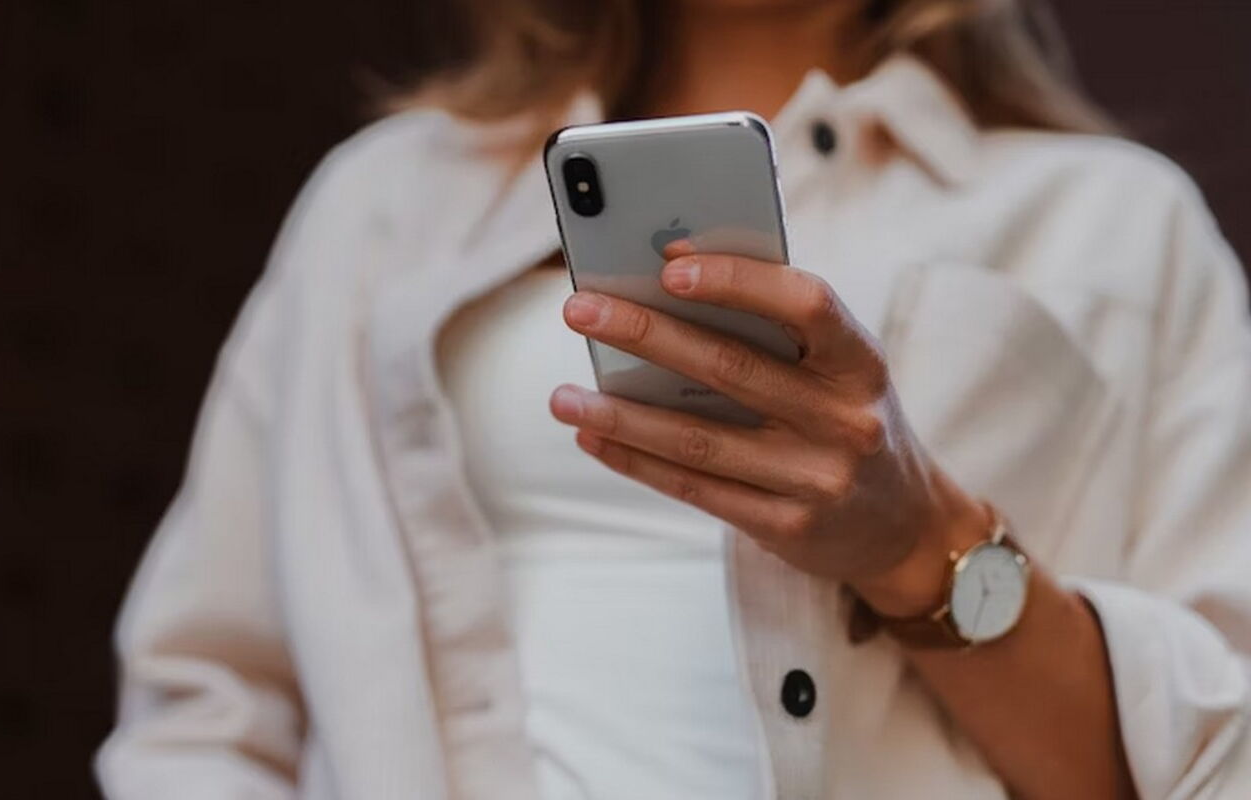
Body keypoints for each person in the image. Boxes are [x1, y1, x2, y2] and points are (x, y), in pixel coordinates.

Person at [96, 1, 1251, 798]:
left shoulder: (1113, 223)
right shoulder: (382, 206)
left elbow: (1216, 760)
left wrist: (912, 541)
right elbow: (206, 698)